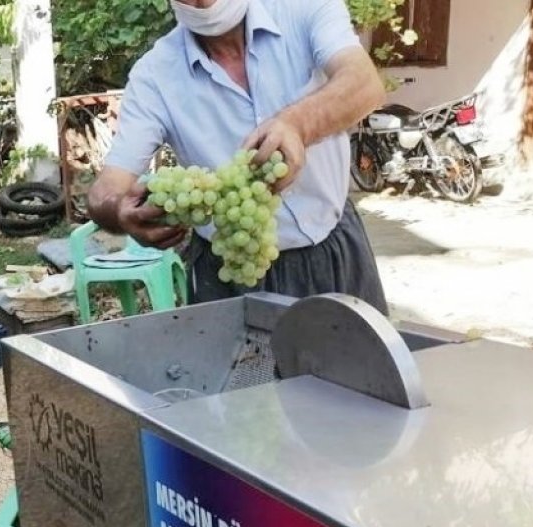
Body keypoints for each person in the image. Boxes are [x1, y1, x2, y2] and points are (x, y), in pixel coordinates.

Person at [87, 0, 389, 313]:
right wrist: (118, 210)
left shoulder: (304, 7)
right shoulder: (154, 76)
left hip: (334, 248)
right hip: (231, 268)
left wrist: (298, 124)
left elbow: (365, 84)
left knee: (360, 346)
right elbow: (105, 191)